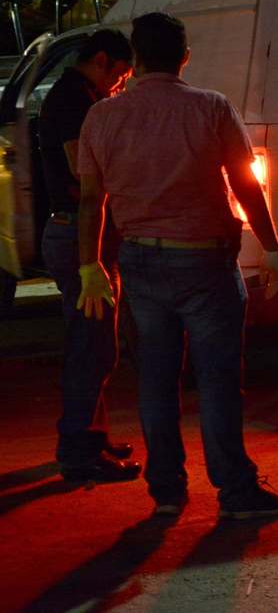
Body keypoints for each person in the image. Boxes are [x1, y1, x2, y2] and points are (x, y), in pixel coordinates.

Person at [76, 12, 278, 520]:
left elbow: (92, 201)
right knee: (218, 380)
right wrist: (272, 247)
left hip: (140, 261)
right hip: (205, 262)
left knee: (155, 378)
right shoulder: (211, 108)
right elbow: (245, 184)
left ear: (133, 59)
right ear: (184, 56)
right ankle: (235, 490)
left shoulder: (102, 117)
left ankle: (167, 490)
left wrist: (90, 265)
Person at [37, 29, 139, 482]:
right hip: (79, 237)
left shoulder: (71, 95)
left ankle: (91, 438)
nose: (118, 85)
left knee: (94, 346)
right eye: (118, 75)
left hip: (74, 233)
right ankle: (79, 452)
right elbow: (87, 178)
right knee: (91, 349)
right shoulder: (74, 101)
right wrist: (90, 258)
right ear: (101, 60)